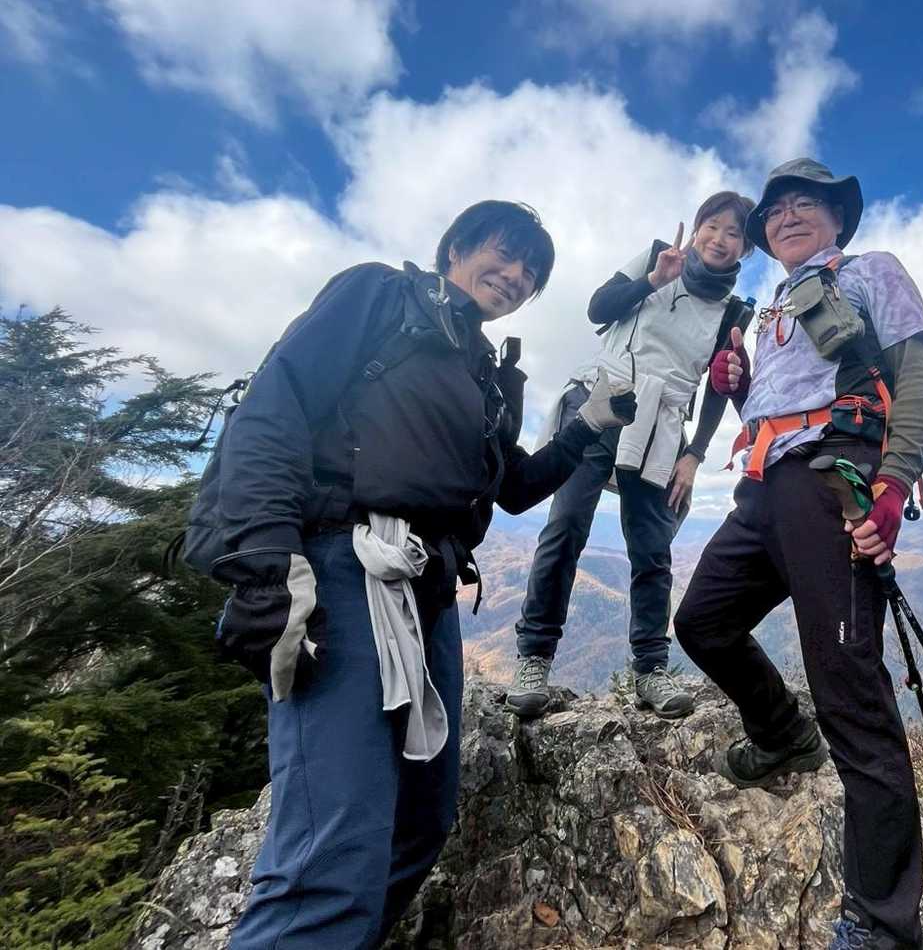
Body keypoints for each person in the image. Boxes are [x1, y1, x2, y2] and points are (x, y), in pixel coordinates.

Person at [190, 201, 636, 949]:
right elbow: (275, 406)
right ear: (455, 247)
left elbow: (513, 486)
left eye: (531, 272)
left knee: (420, 822)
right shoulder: (379, 296)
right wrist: (268, 565)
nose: (516, 275)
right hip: (341, 568)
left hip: (427, 589)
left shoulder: (485, 372)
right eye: (504, 252)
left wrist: (586, 425)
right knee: (332, 853)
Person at [673, 159, 923, 950]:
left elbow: (919, 379)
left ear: (835, 218)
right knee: (702, 622)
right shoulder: (774, 307)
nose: (787, 215)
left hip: (832, 480)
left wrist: (892, 484)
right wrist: (736, 386)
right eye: (776, 208)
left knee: (850, 692)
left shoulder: (870, 272)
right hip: (763, 485)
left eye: (805, 203)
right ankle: (784, 735)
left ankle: (883, 923)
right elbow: (777, 403)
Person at [508, 191, 756, 720]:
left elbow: (719, 385)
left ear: (745, 248)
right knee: (566, 526)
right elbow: (597, 308)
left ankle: (650, 668)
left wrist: (695, 454)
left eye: (734, 233)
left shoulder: (734, 310)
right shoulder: (656, 257)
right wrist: (653, 279)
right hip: (601, 400)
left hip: (662, 425)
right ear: (696, 228)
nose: (719, 239)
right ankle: (534, 657)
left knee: (652, 546)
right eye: (712, 226)